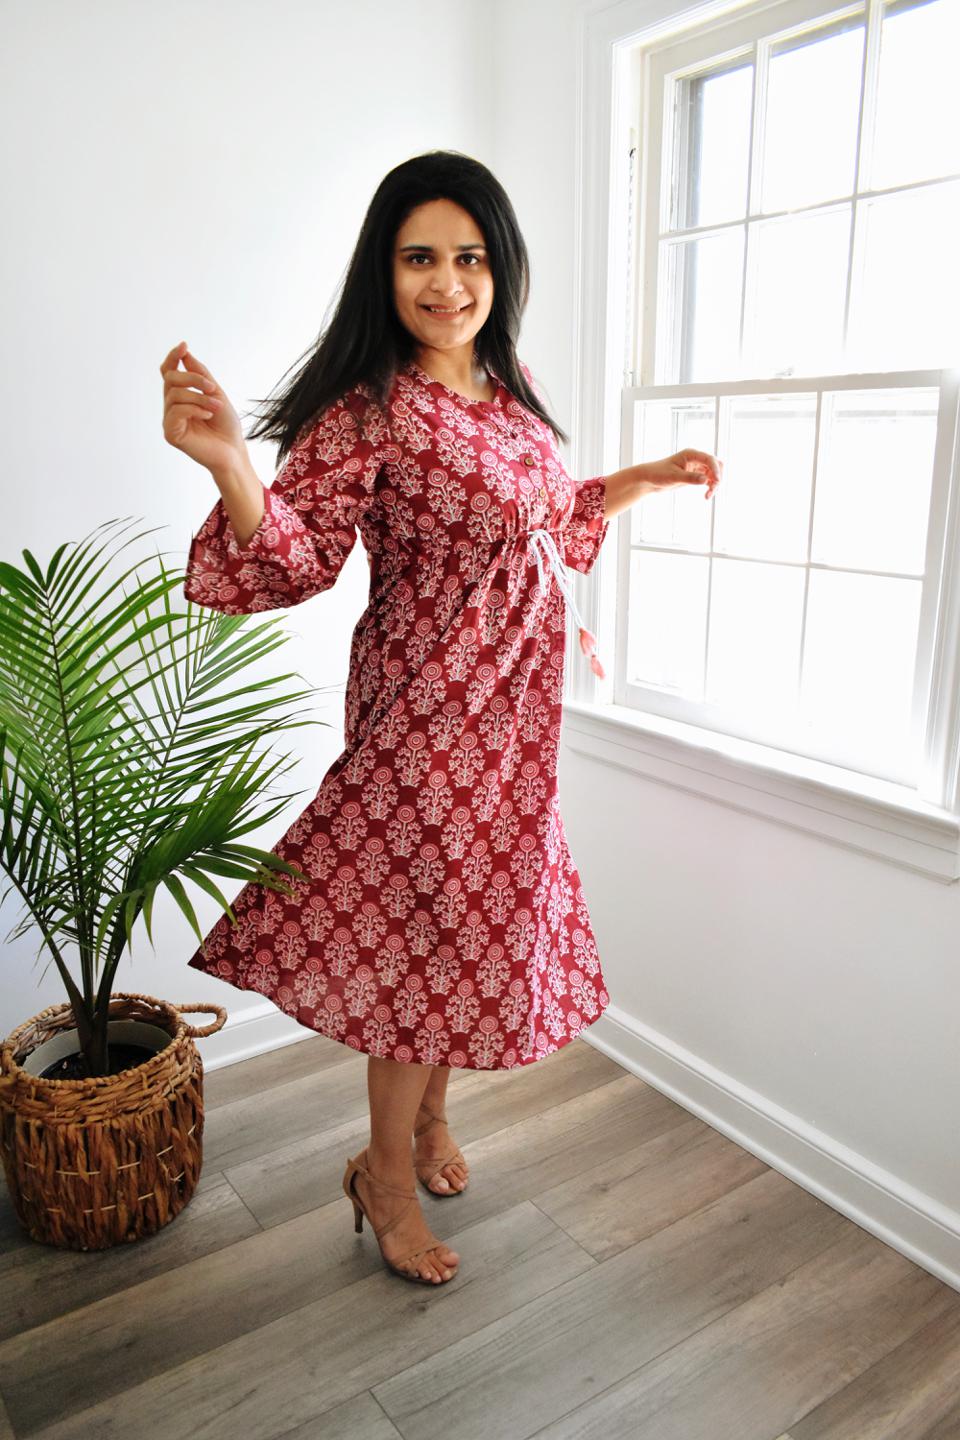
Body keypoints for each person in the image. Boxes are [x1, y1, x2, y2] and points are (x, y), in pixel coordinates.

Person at [160, 150, 722, 1288]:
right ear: (386, 269)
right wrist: (229, 464)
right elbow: (299, 554)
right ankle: (385, 1171)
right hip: (427, 713)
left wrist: (643, 477)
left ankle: (424, 1125)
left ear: (500, 270)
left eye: (469, 257)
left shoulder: (509, 400)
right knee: (425, 942)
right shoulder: (366, 410)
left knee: (472, 931)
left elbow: (545, 513)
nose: (447, 281)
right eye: (421, 257)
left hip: (519, 717)